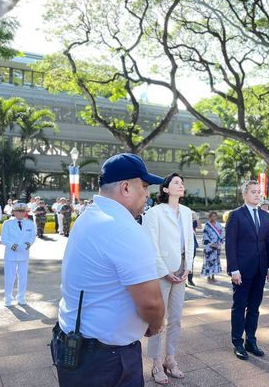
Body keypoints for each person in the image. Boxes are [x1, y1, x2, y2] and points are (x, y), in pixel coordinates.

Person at [52, 153, 165, 387]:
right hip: (104, 360)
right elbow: (151, 303)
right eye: (144, 186)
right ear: (126, 187)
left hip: (76, 347)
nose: (147, 194)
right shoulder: (124, 229)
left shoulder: (89, 217)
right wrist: (155, 325)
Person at [142, 173, 194, 384]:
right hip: (161, 272)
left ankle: (170, 359)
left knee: (176, 318)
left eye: (182, 182)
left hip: (182, 271)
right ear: (165, 189)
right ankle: (156, 363)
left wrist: (188, 268)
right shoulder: (154, 213)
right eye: (176, 183)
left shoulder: (188, 212)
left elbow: (189, 242)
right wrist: (163, 270)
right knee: (158, 320)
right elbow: (150, 245)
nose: (181, 185)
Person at [225, 181, 269, 360]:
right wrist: (234, 270)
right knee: (239, 307)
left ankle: (251, 341)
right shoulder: (236, 215)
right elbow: (230, 245)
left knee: (254, 308)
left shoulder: (265, 216)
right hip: (242, 271)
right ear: (244, 194)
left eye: (259, 192)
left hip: (260, 270)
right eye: (253, 192)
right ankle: (237, 342)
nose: (257, 195)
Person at [1, 202, 36, 306]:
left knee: (23, 277)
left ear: (25, 212)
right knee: (9, 277)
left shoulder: (30, 223)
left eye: (23, 211)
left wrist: (27, 245)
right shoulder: (7, 223)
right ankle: (8, 298)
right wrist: (14, 246)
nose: (20, 214)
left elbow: (32, 237)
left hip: (24, 254)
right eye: (18, 211)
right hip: (11, 254)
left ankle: (21, 297)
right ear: (14, 212)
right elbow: (4, 239)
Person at [201, 211, 223, 282]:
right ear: (209, 217)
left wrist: (219, 243)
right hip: (209, 247)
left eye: (215, 216)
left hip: (217, 246)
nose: (214, 217)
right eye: (212, 216)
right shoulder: (207, 225)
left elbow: (222, 234)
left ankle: (213, 276)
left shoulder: (219, 225)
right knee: (209, 261)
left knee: (215, 261)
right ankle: (208, 277)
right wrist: (211, 244)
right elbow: (205, 236)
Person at [187, 211, 200, 287]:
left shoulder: (193, 222)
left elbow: (199, 227)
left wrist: (196, 218)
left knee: (190, 262)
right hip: (183, 245)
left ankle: (190, 279)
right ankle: (184, 280)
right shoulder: (182, 221)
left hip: (193, 243)